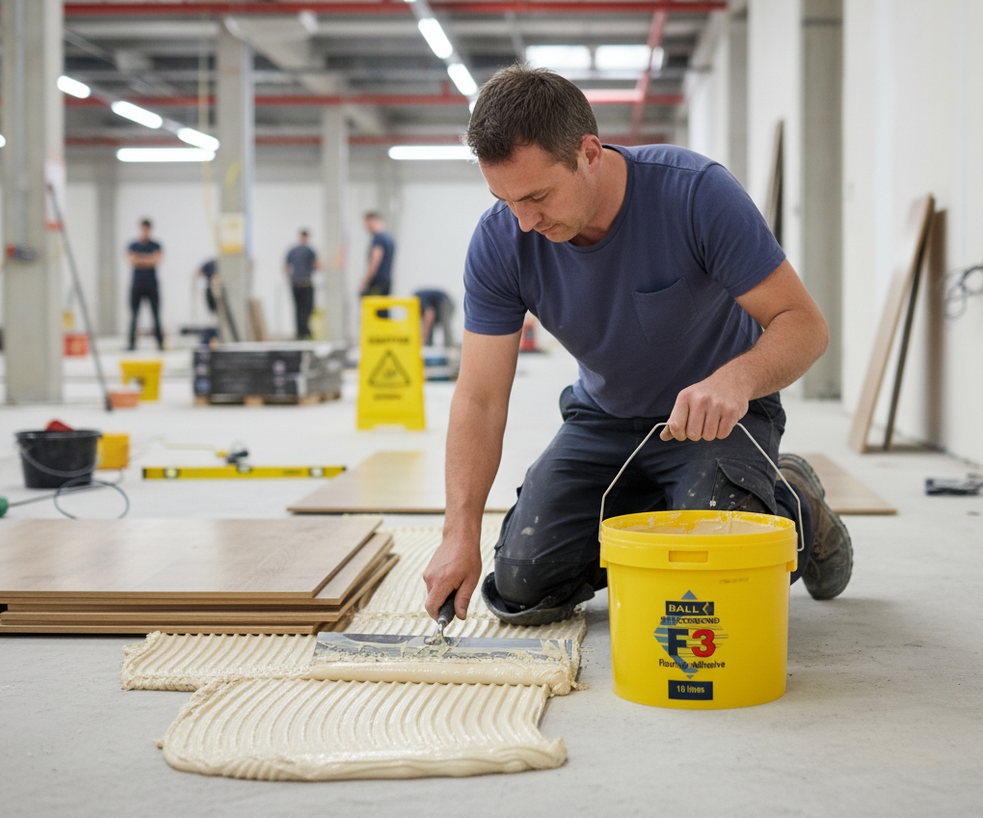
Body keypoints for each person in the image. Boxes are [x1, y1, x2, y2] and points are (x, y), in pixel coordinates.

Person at [422, 65, 853, 628]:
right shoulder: (502, 240)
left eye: (538, 197)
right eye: (506, 200)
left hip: (718, 419)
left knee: (721, 579)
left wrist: (734, 380)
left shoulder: (695, 193)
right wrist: (459, 533)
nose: (524, 222)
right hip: (603, 419)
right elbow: (478, 397)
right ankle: (662, 506)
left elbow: (805, 325)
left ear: (590, 153)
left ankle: (794, 499)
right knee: (523, 586)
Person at [127, 218, 164, 351]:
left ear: (150, 230)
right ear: (140, 229)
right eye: (143, 229)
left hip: (152, 285)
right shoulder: (132, 245)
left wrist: (139, 259)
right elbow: (131, 260)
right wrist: (148, 258)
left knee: (156, 315)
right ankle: (131, 344)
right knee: (134, 316)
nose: (145, 231)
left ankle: (160, 344)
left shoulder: (156, 245)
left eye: (147, 229)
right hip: (137, 285)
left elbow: (156, 260)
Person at [285, 229, 319, 339]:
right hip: (306, 283)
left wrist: (290, 278)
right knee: (307, 307)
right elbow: (316, 265)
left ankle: (300, 332)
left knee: (298, 308)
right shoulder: (310, 250)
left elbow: (286, 266)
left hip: (295, 283)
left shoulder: (292, 250)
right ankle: (305, 331)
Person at [359, 211, 396, 298]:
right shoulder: (389, 238)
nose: (366, 227)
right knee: (383, 308)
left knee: (372, 309)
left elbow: (375, 260)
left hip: (377, 282)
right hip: (386, 281)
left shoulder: (378, 238)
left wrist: (366, 280)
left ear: (372, 221)